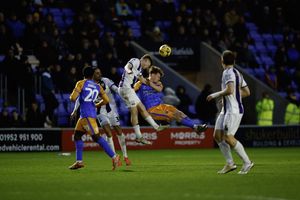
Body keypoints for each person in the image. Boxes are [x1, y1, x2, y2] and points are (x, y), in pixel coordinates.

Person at [71, 67, 131, 166]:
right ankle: (79, 161)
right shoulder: (97, 87)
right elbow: (106, 100)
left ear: (84, 74)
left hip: (87, 116)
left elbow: (73, 98)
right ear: (92, 75)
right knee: (77, 136)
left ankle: (114, 156)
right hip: (84, 116)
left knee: (96, 137)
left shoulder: (81, 83)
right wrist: (96, 105)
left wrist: (74, 96)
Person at [206, 50, 254, 175]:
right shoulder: (237, 73)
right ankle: (230, 163)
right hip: (226, 109)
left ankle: (247, 162)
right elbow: (247, 92)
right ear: (234, 61)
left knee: (228, 137)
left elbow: (230, 89)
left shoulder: (227, 73)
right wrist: (231, 98)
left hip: (233, 110)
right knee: (217, 136)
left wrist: (215, 94)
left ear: (222, 61)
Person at [134, 66, 207, 134]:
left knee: (179, 113)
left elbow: (159, 89)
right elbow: (131, 91)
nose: (159, 79)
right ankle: (195, 127)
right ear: (153, 74)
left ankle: (196, 127)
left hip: (161, 106)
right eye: (158, 77)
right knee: (175, 116)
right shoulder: (140, 84)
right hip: (152, 110)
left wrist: (146, 81)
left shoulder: (158, 84)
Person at [118, 54, 169, 145]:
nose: (146, 66)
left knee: (141, 108)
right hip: (126, 88)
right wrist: (129, 71)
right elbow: (127, 67)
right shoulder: (136, 60)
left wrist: (154, 86)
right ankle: (139, 136)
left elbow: (143, 81)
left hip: (128, 90)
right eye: (147, 63)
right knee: (135, 111)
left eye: (148, 65)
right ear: (143, 59)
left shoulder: (139, 70)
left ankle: (155, 127)